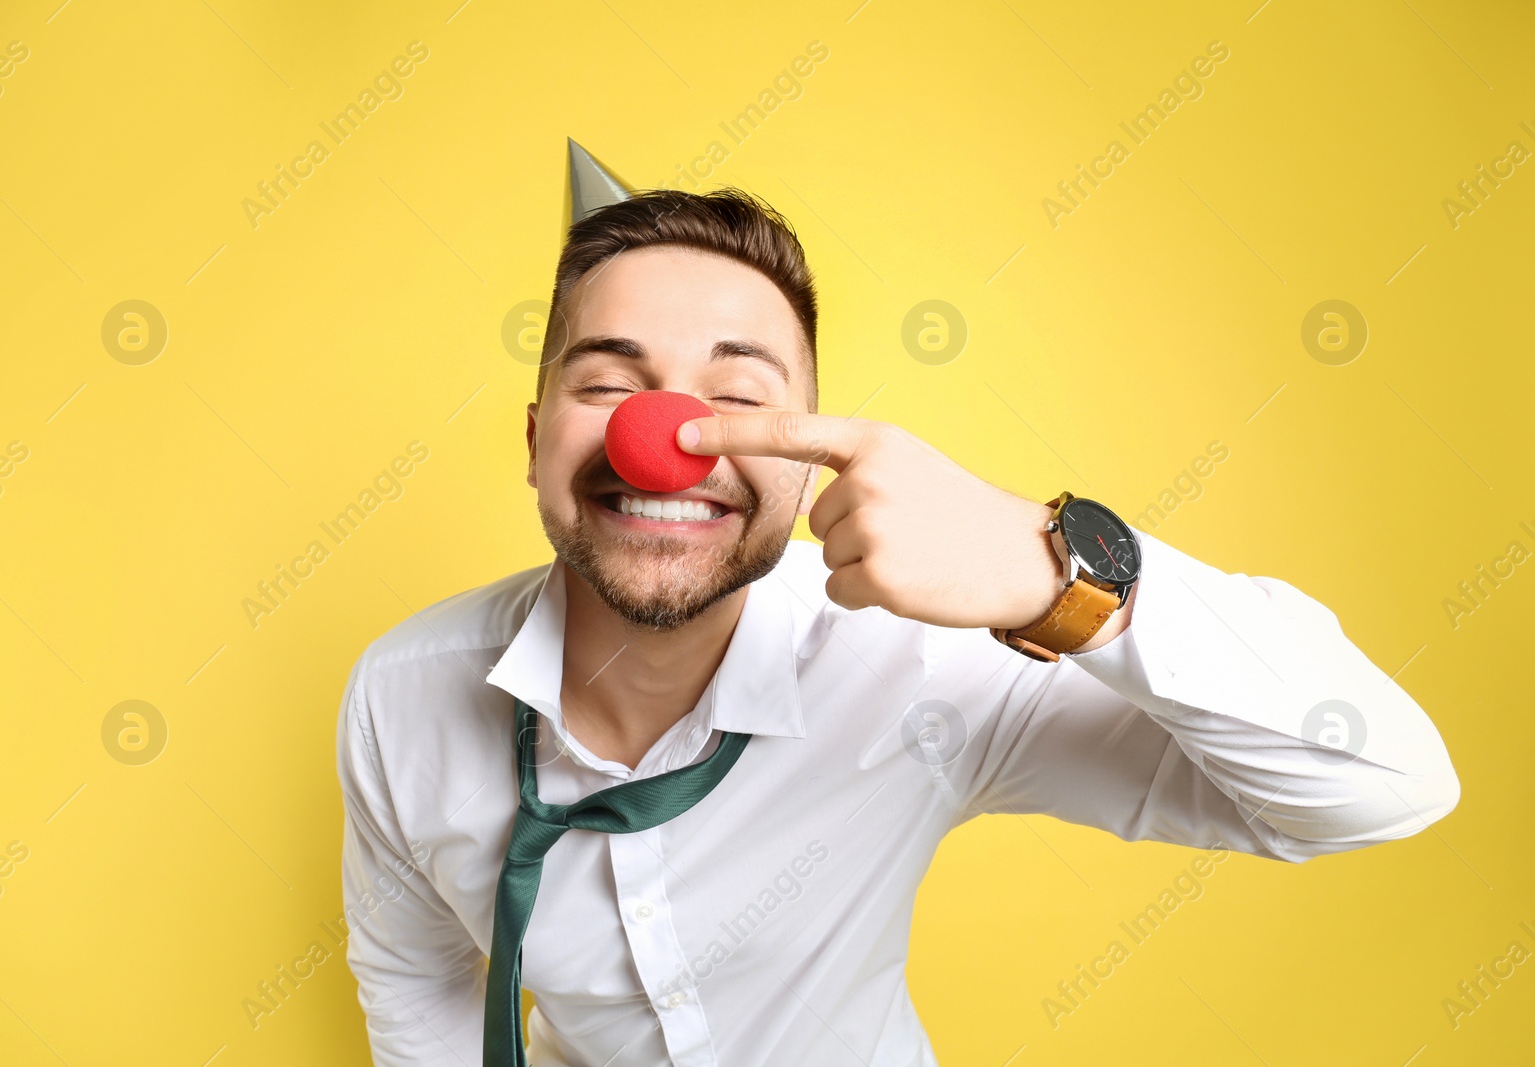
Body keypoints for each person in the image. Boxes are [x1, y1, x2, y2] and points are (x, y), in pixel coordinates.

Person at [335, 144, 1459, 1066]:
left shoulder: (917, 668)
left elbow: (1380, 786)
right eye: (609, 384)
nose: (669, 443)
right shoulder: (400, 698)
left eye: (735, 395)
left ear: (804, 455)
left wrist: (1060, 571)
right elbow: (416, 978)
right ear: (536, 442)